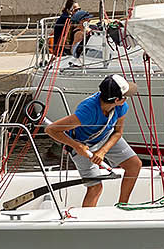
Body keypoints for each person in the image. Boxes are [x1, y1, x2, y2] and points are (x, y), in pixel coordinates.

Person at [44, 74, 142, 207]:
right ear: (117, 99)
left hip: (106, 137)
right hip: (81, 143)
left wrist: (102, 151)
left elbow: (118, 132)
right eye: (125, 96)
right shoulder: (87, 112)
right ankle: (86, 221)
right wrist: (76, 146)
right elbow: (51, 130)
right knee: (95, 187)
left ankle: (123, 206)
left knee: (134, 165)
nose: (127, 99)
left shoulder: (121, 107)